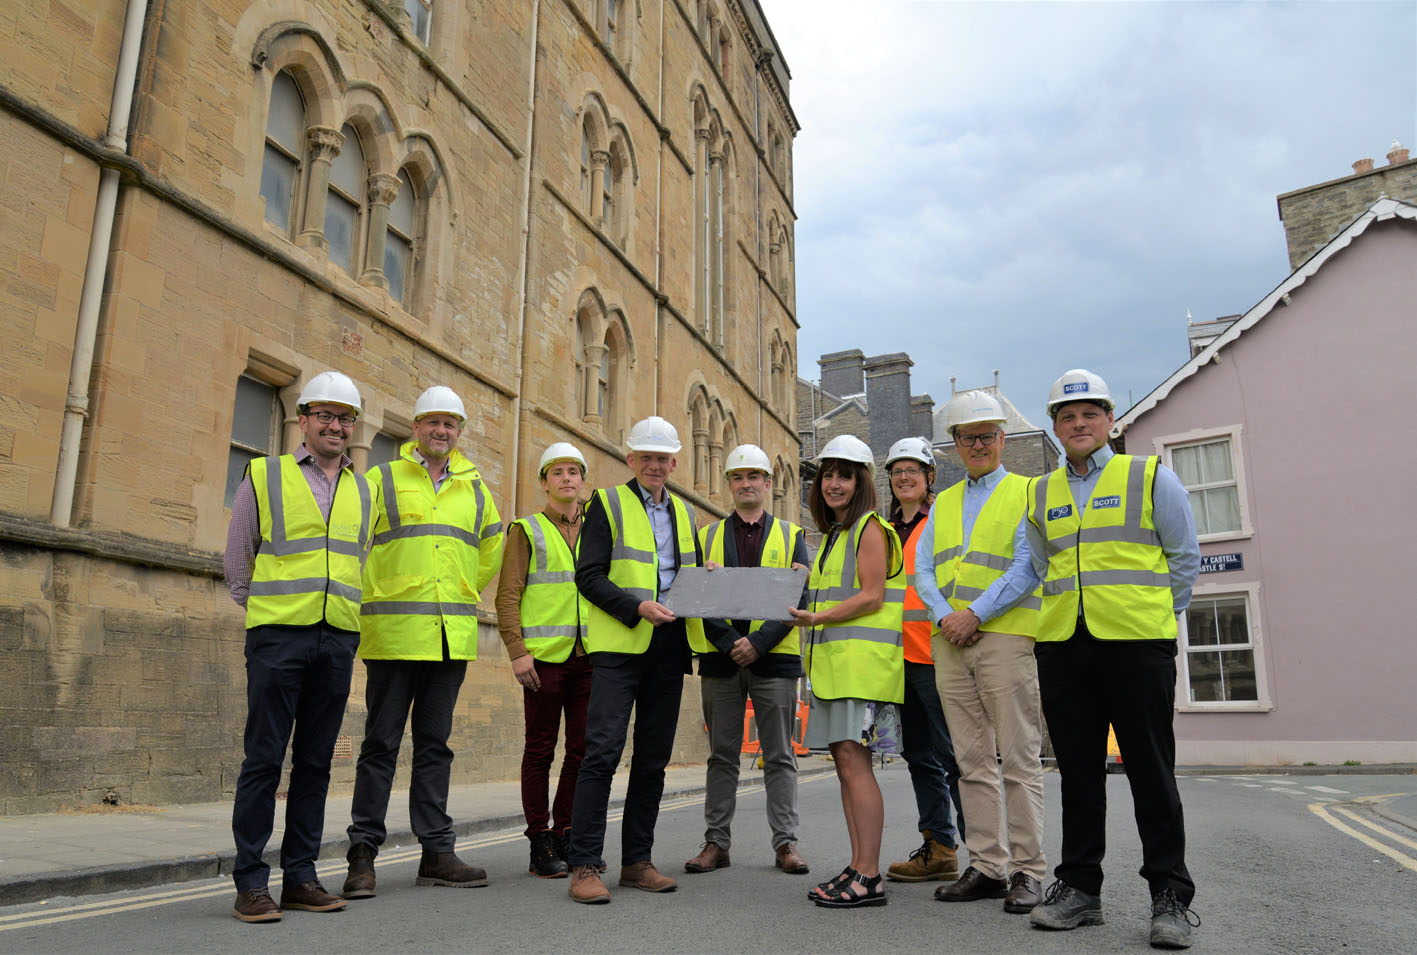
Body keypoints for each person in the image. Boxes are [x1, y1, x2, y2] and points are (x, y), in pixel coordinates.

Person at [1024, 369, 1201, 950]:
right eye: (1067, 416)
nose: (1079, 424)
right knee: (1077, 775)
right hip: (1063, 648)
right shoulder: (1040, 492)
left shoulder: (1149, 477)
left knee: (1151, 774)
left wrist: (1152, 623)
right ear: (1055, 427)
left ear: (1110, 421)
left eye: (1089, 414)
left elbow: (1184, 559)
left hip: (1137, 647)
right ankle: (1079, 889)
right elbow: (1040, 565)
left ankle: (1170, 897)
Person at [341, 385, 503, 898]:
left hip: (449, 636)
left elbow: (491, 548)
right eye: (432, 421)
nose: (441, 430)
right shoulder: (383, 478)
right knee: (380, 746)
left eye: (450, 423)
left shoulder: (476, 489)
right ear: (416, 428)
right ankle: (362, 855)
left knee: (436, 748)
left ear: (459, 432)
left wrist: (462, 588)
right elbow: (352, 541)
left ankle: (436, 852)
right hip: (393, 636)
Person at [224, 370, 373, 923]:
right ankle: (250, 884)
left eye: (345, 418)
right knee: (263, 760)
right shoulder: (265, 474)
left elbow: (361, 560)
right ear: (304, 420)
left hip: (337, 638)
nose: (335, 425)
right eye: (325, 415)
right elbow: (238, 557)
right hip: (278, 637)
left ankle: (301, 878)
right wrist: (268, 614)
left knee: (315, 763)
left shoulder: (364, 488)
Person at [566, 416, 707, 904]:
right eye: (645, 457)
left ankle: (636, 862)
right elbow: (588, 576)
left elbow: (686, 578)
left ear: (674, 463)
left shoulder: (685, 513)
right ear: (631, 459)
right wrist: (636, 607)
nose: (654, 465)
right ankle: (584, 864)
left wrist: (706, 576)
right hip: (619, 647)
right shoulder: (605, 503)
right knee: (601, 754)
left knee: (652, 761)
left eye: (662, 458)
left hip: (669, 648)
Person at [916, 391, 1046, 914]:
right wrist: (946, 616)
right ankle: (989, 866)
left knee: (1018, 758)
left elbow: (1028, 566)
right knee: (970, 762)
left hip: (1005, 636)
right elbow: (923, 569)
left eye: (986, 436)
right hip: (950, 641)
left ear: (1002, 439)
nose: (977, 445)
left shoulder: (1027, 492)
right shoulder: (944, 502)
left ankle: (1029, 870)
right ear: (954, 444)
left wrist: (973, 614)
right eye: (967, 437)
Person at [683, 445, 812, 878]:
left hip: (774, 660)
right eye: (738, 477)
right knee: (721, 756)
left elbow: (799, 597)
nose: (746, 483)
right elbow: (698, 596)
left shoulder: (792, 535)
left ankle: (786, 843)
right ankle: (716, 843)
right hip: (721, 661)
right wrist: (729, 643)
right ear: (729, 484)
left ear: (768, 484)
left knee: (779, 755)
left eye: (754, 476)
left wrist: (757, 643)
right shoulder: (706, 537)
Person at [788, 434, 905, 909]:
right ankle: (858, 867)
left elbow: (872, 596)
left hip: (862, 672)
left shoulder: (869, 528)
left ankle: (869, 875)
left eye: (844, 476)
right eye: (827, 476)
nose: (833, 484)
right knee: (845, 767)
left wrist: (817, 617)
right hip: (838, 671)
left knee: (856, 769)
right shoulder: (837, 535)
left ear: (862, 482)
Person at [495, 442, 594, 878]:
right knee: (539, 750)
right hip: (543, 660)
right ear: (544, 482)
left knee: (581, 751)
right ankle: (540, 838)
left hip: (590, 656)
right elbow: (507, 595)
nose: (566, 479)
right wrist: (518, 652)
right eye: (557, 472)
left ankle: (566, 830)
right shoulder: (526, 529)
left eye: (573, 472)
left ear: (583, 480)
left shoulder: (597, 529)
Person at [879, 436, 966, 886]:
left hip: (937, 653)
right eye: (897, 472)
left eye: (912, 470)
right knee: (919, 756)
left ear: (930, 476)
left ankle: (987, 855)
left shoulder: (946, 519)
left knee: (955, 756)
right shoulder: (882, 529)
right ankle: (940, 848)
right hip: (897, 659)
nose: (904, 478)